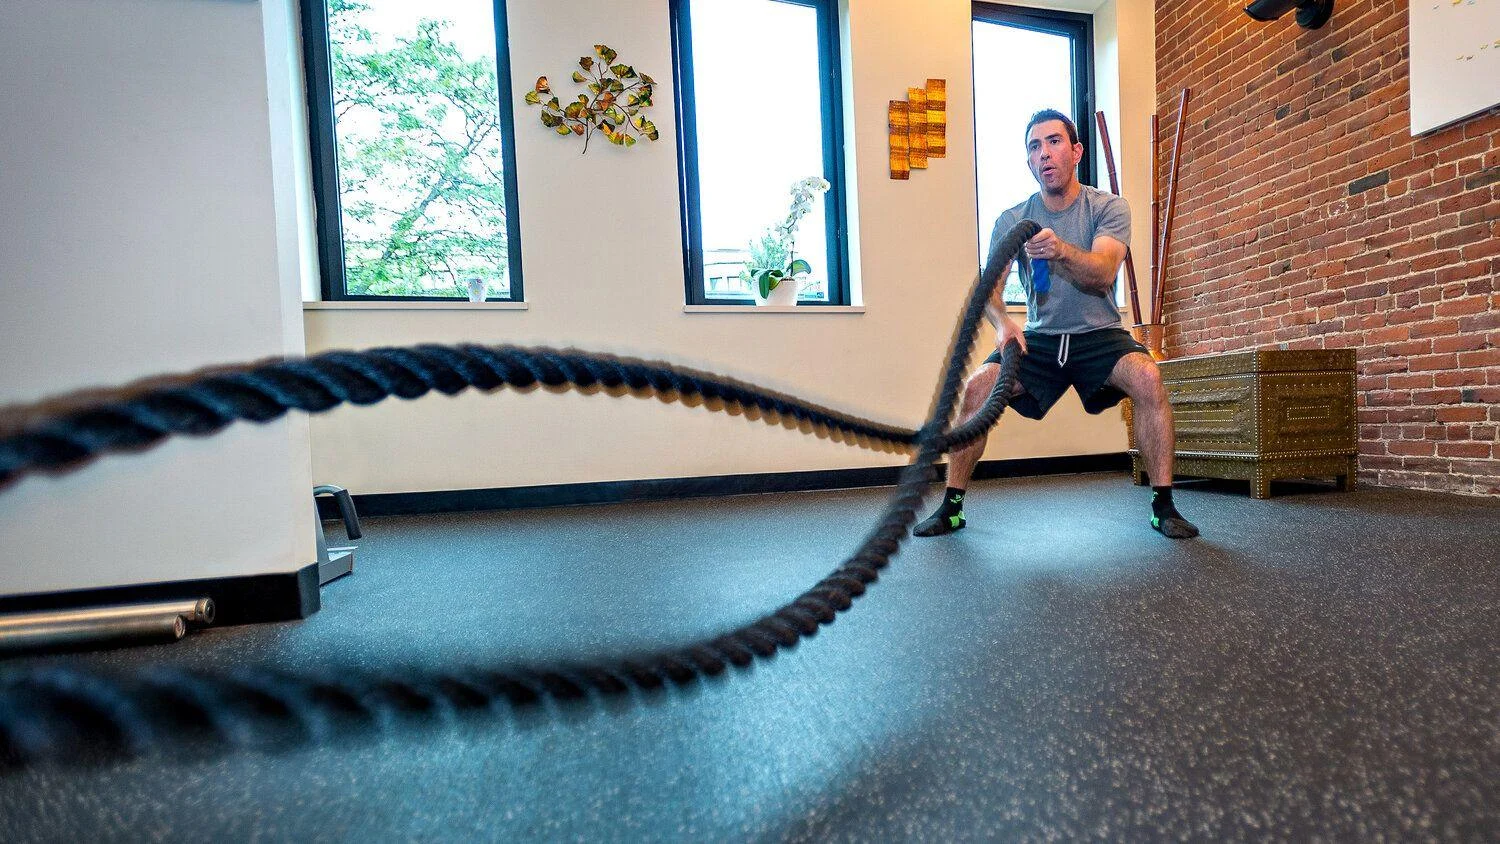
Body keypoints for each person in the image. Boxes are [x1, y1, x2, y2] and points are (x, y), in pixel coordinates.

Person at [914, 109, 1199, 540]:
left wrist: (1062, 250)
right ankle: (951, 507)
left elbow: (1104, 271)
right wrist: (1004, 321)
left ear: (1076, 151)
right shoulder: (1013, 220)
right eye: (1034, 147)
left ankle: (1164, 505)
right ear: (1028, 161)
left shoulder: (1108, 207)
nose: (1044, 154)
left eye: (1053, 142)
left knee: (1147, 378)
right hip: (1041, 339)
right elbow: (989, 287)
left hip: (1099, 335)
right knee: (976, 388)